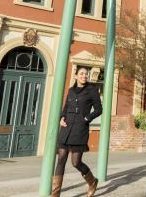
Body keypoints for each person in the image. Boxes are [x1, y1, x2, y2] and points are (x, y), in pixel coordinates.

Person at [53, 67, 102, 197]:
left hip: (80, 129)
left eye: (86, 74)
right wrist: (61, 118)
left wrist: (86, 119)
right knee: (61, 159)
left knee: (76, 162)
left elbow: (98, 109)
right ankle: (56, 193)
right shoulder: (71, 91)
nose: (84, 76)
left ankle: (92, 181)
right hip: (66, 128)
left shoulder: (92, 90)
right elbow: (66, 107)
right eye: (81, 73)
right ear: (76, 76)